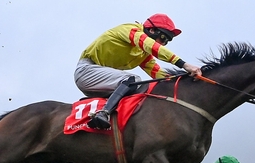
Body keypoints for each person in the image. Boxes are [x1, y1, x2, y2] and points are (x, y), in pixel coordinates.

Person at [75, 13, 203, 130]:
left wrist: (184, 80)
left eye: (167, 41)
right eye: (163, 38)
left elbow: (160, 75)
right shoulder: (131, 30)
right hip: (87, 71)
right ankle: (104, 113)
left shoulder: (142, 54)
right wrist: (184, 64)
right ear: (151, 30)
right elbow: (152, 47)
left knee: (143, 90)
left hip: (103, 80)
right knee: (134, 80)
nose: (163, 43)